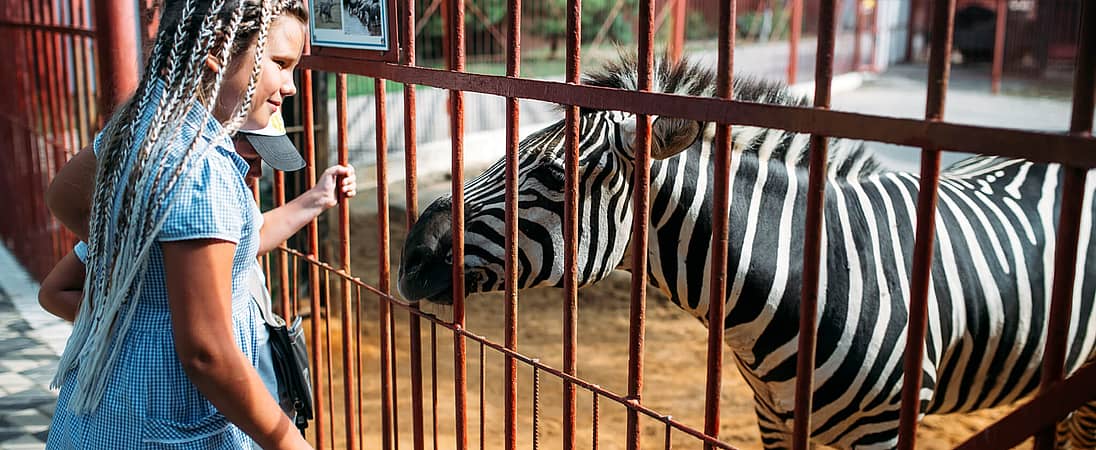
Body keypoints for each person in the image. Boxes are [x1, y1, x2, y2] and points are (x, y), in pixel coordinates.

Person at [38, 0, 355, 448]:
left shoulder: (143, 126)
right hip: (166, 424)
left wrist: (146, 269)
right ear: (218, 50)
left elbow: (64, 196)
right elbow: (208, 355)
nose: (290, 86)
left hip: (108, 415)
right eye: (281, 64)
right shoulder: (201, 168)